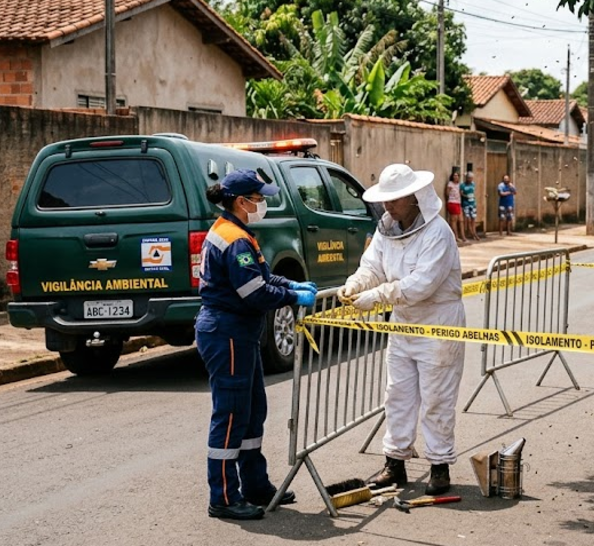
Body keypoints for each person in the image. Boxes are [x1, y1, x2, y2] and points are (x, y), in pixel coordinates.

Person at [197, 169, 318, 520]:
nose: (262, 203)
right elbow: (255, 293)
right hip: (227, 332)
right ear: (241, 202)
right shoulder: (233, 238)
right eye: (258, 198)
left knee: (251, 412)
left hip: (239, 333)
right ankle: (222, 497)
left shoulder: (239, 233)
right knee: (231, 415)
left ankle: (255, 485)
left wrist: (293, 285)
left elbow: (263, 276)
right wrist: (290, 295)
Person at [337, 163, 465, 495]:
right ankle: (395, 463)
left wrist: (378, 296)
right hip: (404, 323)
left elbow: (422, 284)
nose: (388, 206)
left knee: (437, 397)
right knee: (398, 395)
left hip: (439, 324)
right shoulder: (386, 230)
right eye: (385, 199)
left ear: (413, 197)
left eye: (394, 200)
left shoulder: (438, 233)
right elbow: (372, 266)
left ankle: (439, 465)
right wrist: (355, 284)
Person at [445, 171, 466, 243]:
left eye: (457, 176)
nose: (456, 177)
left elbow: (461, 193)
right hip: (452, 202)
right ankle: (455, 236)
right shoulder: (450, 184)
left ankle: (463, 236)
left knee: (461, 220)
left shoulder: (459, 185)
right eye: (454, 175)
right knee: (453, 220)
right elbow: (447, 193)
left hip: (458, 203)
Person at [460, 171, 480, 241]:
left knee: (473, 219)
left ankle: (474, 232)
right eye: (469, 178)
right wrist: (466, 196)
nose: (471, 180)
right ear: (467, 178)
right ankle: (472, 233)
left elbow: (473, 192)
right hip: (466, 204)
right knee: (467, 219)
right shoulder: (462, 185)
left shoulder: (473, 184)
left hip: (473, 203)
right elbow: (461, 194)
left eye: (472, 178)